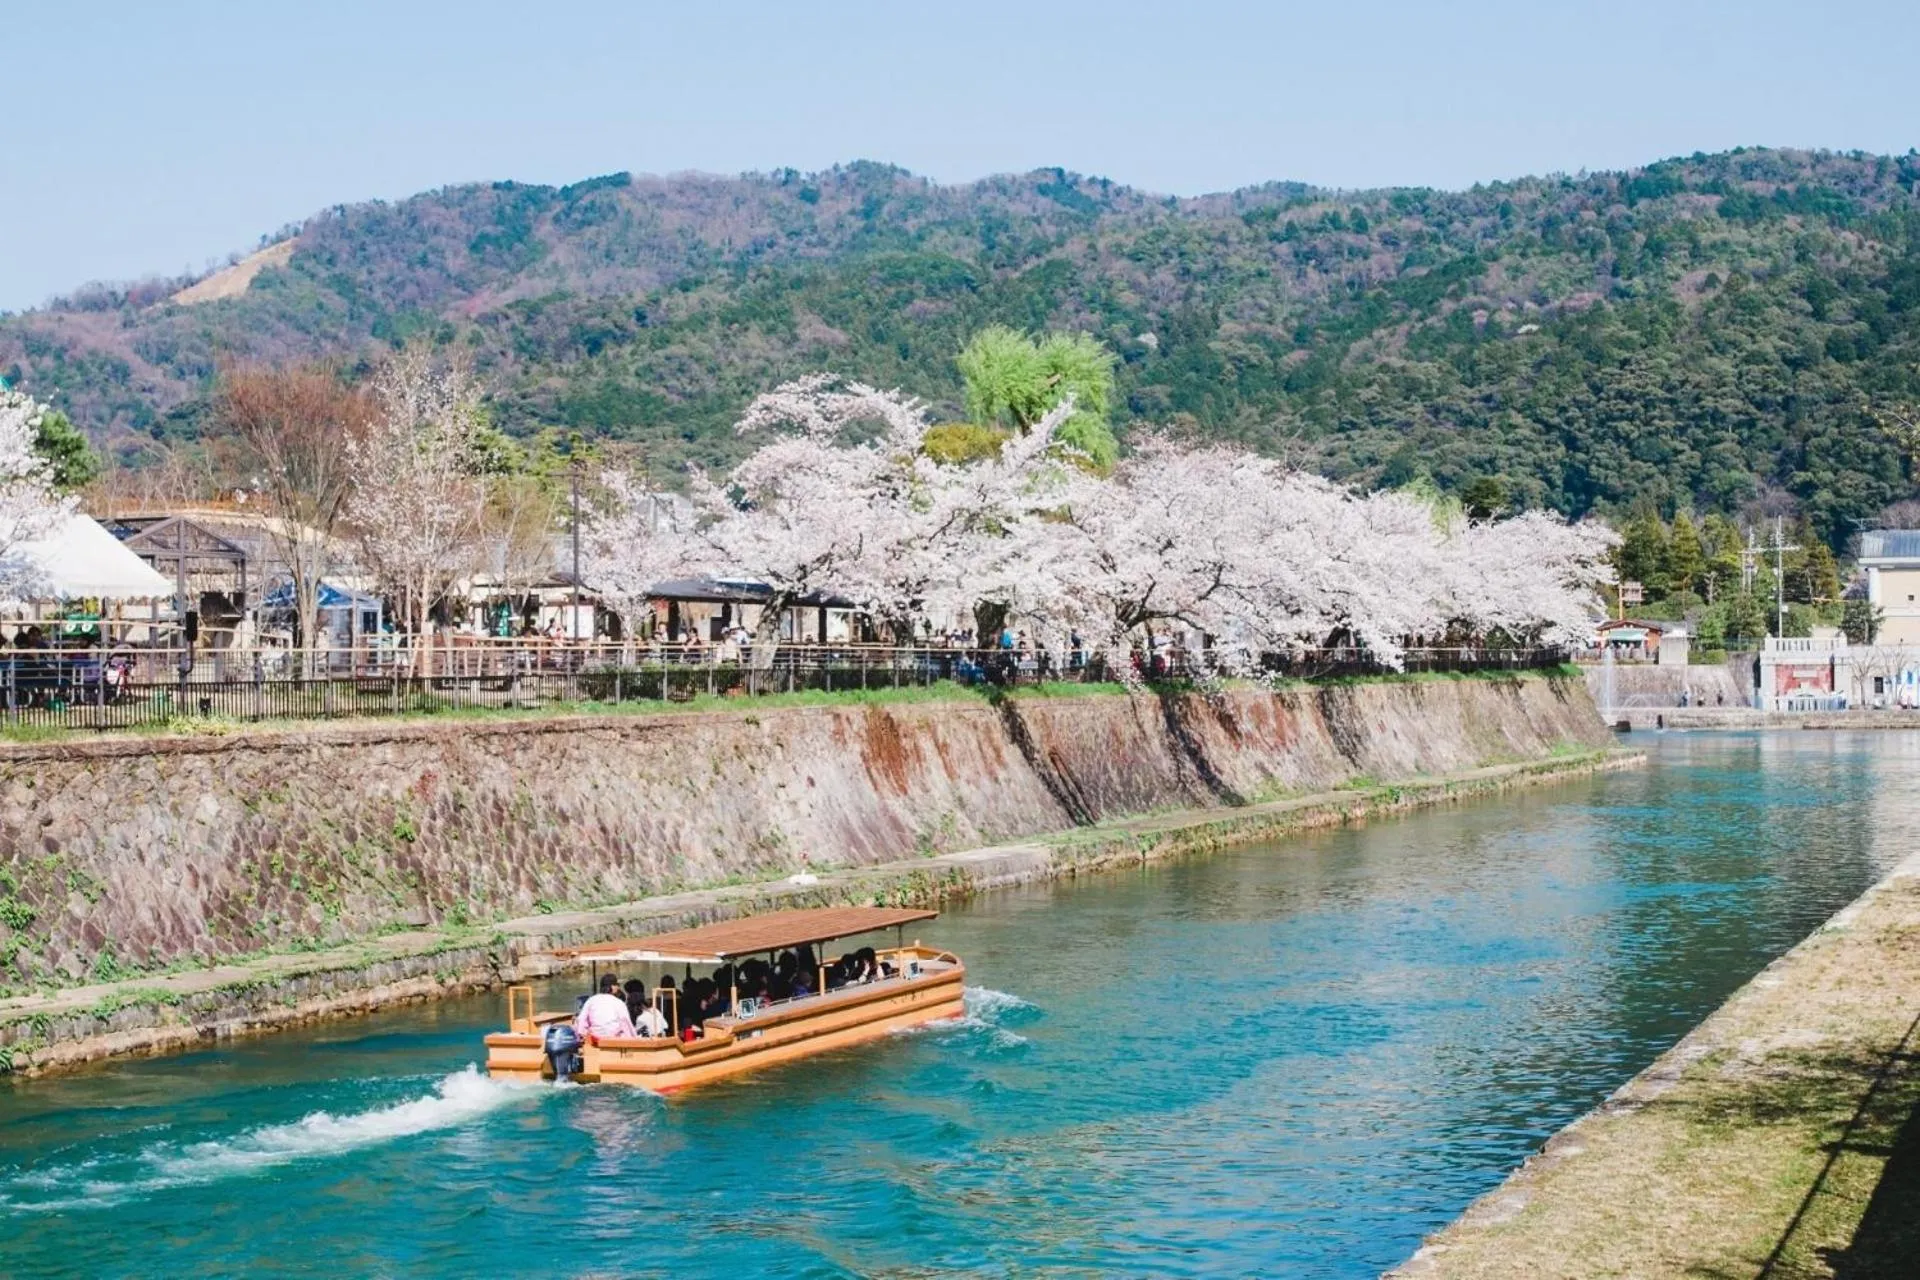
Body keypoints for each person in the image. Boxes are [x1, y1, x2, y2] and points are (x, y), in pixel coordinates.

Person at [574, 971, 636, 1041]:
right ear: (612, 986)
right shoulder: (618, 1003)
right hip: (614, 1041)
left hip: (594, 1039)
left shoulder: (591, 1000)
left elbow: (581, 1020)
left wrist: (581, 1035)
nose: (618, 987)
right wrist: (634, 1037)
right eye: (616, 985)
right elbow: (626, 1023)